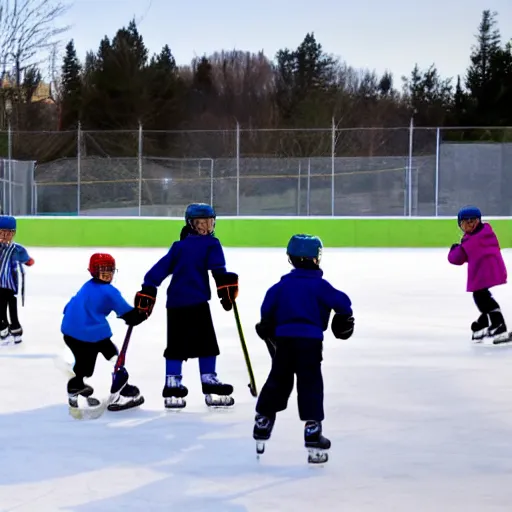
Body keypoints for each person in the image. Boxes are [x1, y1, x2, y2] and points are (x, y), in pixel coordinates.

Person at [253, 234, 354, 461]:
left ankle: (263, 420)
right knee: (310, 384)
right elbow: (343, 302)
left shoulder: (280, 287)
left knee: (278, 380)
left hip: (285, 342)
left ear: (291, 258)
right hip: (310, 343)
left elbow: (266, 309)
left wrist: (267, 327)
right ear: (316, 259)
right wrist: (344, 318)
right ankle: (312, 430)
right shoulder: (320, 286)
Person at [135, 203, 239, 409]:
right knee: (202, 344)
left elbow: (156, 272)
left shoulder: (179, 246)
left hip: (175, 303)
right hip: (196, 303)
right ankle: (204, 381)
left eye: (208, 224)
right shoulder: (211, 244)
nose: (205, 229)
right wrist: (225, 285)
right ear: (191, 225)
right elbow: (218, 268)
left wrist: (149, 288)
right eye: (200, 224)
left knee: (181, 344)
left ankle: (174, 384)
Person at [61, 253, 148, 411]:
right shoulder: (109, 292)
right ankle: (120, 390)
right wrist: (140, 314)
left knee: (86, 364)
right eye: (103, 271)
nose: (107, 274)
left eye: (110, 271)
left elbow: (69, 305)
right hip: (89, 333)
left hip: (70, 331)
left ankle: (77, 385)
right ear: (94, 271)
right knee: (112, 355)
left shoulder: (87, 286)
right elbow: (127, 313)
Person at [448, 205, 508, 342]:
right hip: (492, 270)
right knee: (482, 296)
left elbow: (457, 258)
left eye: (472, 222)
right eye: (465, 223)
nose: (469, 226)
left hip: (483, 273)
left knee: (481, 297)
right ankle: (484, 322)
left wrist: (454, 249)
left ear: (478, 221)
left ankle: (498, 324)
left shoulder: (471, 240)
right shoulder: (486, 232)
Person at [0, 215, 34, 344]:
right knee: (1, 308)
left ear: (13, 233)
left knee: (12, 307)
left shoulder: (17, 249)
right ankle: (3, 329)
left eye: (9, 233)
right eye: (2, 232)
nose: (5, 236)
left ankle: (15, 330)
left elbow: (26, 259)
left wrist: (28, 261)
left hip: (10, 284)